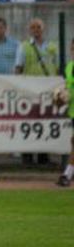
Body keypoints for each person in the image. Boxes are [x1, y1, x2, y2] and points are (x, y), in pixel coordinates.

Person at [57, 39, 74, 187]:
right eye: (73, 49)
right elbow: (69, 89)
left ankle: (67, 175)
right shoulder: (69, 67)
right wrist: (62, 97)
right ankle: (67, 175)